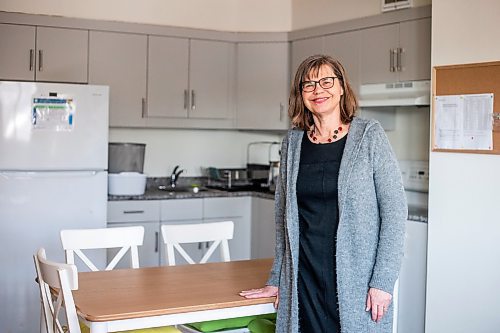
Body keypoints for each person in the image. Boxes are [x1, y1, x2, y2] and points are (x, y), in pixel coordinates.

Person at [239, 54, 407, 333]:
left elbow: (394, 213)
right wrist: (278, 277)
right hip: (304, 277)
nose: (319, 90)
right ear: (300, 94)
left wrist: (382, 282)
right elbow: (284, 218)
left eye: (327, 81)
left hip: (356, 279)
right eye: (309, 84)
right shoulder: (292, 143)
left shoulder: (369, 136)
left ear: (342, 87)